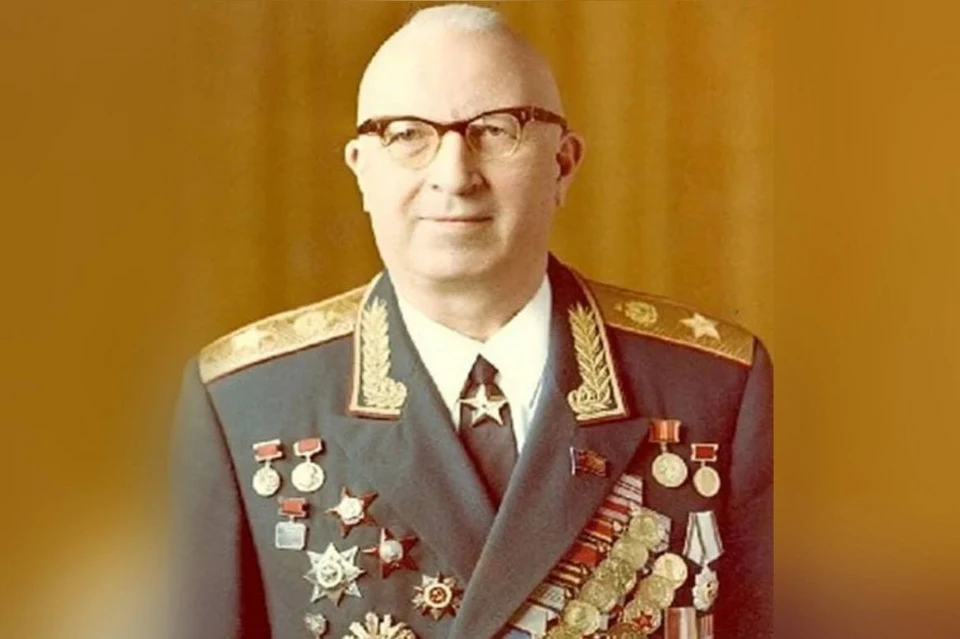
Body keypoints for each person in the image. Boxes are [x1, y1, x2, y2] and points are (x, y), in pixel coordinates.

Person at [169, 4, 772, 639]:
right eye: (407, 134)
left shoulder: (713, 388)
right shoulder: (246, 403)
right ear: (361, 170)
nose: (454, 177)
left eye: (495, 130)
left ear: (563, 164)